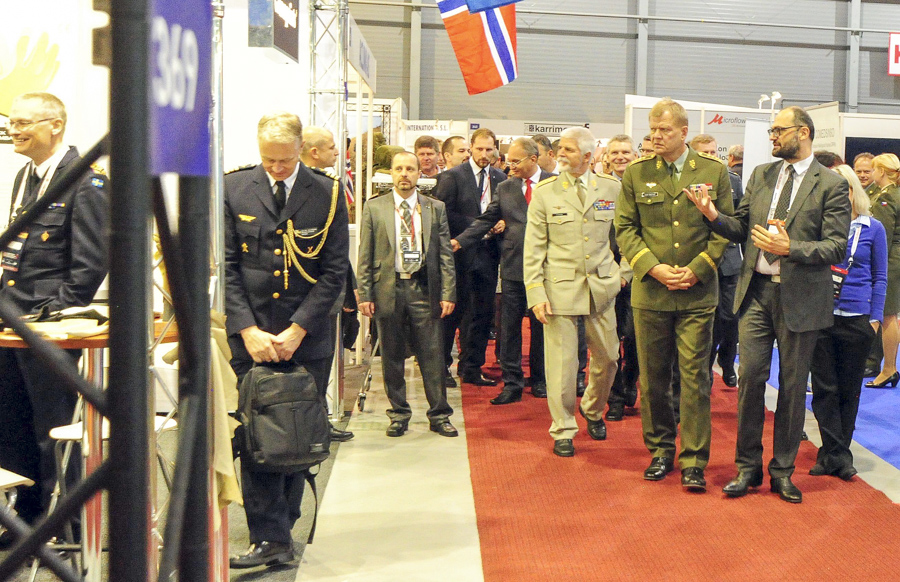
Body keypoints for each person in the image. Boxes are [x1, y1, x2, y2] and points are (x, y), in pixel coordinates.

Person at [686, 105, 851, 504]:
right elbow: (741, 227)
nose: (772, 137)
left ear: (803, 133)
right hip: (756, 293)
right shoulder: (761, 174)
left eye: (779, 130)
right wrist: (712, 215)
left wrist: (791, 247)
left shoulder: (831, 184)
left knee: (792, 387)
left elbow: (836, 246)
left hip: (801, 298)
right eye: (772, 131)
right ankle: (747, 468)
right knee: (750, 382)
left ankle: (782, 471)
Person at [225, 111, 349, 567]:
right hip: (252, 335)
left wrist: (299, 329)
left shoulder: (328, 193)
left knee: (298, 433)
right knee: (256, 433)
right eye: (268, 160)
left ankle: (284, 522)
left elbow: (334, 271)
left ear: (301, 149)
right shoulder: (234, 187)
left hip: (307, 336)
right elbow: (227, 267)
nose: (276, 168)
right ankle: (269, 535)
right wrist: (247, 328)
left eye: (285, 160)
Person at [0, 92, 109, 545]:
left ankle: (66, 525)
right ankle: (24, 519)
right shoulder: (25, 175)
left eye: (24, 123)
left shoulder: (86, 180)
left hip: (48, 330)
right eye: (13, 123)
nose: (14, 131)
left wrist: (51, 316)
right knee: (12, 427)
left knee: (53, 430)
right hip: (10, 324)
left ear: (55, 125)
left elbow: (90, 265)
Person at [615, 98, 733, 492]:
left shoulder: (713, 171)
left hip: (697, 294)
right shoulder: (637, 173)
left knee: (695, 379)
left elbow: (724, 228)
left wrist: (699, 268)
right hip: (652, 292)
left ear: (683, 132)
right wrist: (653, 267)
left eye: (664, 130)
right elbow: (625, 229)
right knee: (652, 379)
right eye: (652, 129)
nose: (656, 136)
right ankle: (661, 451)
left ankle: (694, 460)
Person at [524, 126, 624, 457]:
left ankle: (592, 409)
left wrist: (624, 273)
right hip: (559, 289)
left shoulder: (611, 188)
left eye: (567, 149)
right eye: (559, 149)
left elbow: (627, 234)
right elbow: (533, 248)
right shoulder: (546, 192)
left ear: (587, 156)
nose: (560, 154)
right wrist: (536, 292)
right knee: (563, 366)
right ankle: (564, 427)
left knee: (609, 358)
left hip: (602, 287)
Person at [357, 151, 458, 437]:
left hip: (423, 289)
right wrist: (364, 293)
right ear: (391, 173)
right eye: (399, 168)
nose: (404, 174)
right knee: (391, 356)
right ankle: (399, 414)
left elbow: (446, 255)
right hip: (387, 289)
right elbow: (365, 254)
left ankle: (439, 415)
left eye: (410, 169)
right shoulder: (374, 207)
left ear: (418, 174)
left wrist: (448, 292)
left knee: (432, 355)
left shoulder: (434, 208)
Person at [452, 137, 553, 404]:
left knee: (543, 327)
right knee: (509, 328)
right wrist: (460, 241)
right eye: (508, 161)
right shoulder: (506, 187)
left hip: (548, 269)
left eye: (516, 161)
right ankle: (512, 382)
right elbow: (487, 219)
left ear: (534, 159)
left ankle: (541, 379)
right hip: (513, 266)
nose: (510, 166)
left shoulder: (554, 184)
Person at [809, 165, 886, 481]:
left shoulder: (873, 228)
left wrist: (875, 319)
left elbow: (880, 277)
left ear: (854, 191)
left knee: (849, 389)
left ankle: (831, 455)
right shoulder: (818, 226)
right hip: (821, 316)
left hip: (858, 319)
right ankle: (839, 456)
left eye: (845, 189)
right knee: (824, 389)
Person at [435, 128, 506, 387]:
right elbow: (442, 214)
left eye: (489, 149)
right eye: (479, 149)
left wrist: (503, 222)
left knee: (482, 314)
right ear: (471, 149)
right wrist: (479, 225)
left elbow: (507, 210)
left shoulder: (501, 178)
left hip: (488, 254)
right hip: (459, 254)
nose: (484, 154)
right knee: (452, 313)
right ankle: (441, 368)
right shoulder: (452, 176)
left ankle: (472, 367)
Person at [299, 125, 356, 443]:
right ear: (314, 151)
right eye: (332, 146)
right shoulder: (307, 192)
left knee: (323, 364)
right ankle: (309, 427)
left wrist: (349, 286)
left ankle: (319, 423)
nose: (338, 152)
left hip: (327, 294)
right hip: (305, 295)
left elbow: (337, 250)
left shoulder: (330, 188)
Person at [691, 134, 743, 387]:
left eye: (713, 152)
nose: (711, 157)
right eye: (705, 153)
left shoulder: (732, 180)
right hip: (701, 257)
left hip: (730, 259)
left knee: (730, 317)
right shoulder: (687, 180)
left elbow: (740, 220)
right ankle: (707, 368)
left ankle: (727, 361)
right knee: (707, 321)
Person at [601, 134, 639, 421]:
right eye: (615, 152)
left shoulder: (643, 185)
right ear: (607, 157)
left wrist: (626, 272)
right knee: (610, 341)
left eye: (625, 152)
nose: (620, 157)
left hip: (640, 274)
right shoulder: (600, 188)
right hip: (606, 277)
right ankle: (614, 398)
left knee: (635, 339)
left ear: (634, 155)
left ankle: (629, 382)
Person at [864, 153, 900, 388]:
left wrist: (875, 266)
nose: (871, 173)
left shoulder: (886, 198)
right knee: (889, 315)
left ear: (882, 171)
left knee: (887, 315)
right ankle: (889, 368)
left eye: (874, 169)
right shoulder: (889, 193)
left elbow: (882, 237)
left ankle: (889, 369)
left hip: (890, 261)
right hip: (894, 259)